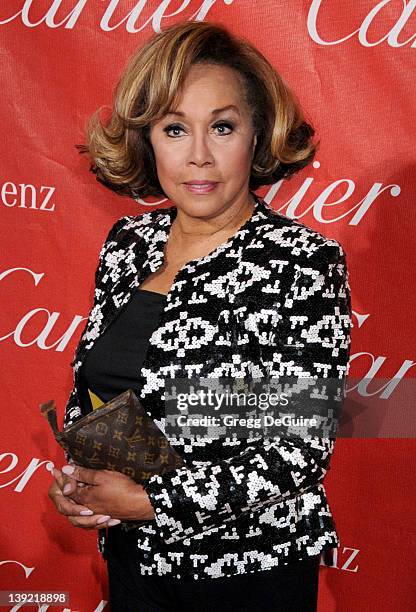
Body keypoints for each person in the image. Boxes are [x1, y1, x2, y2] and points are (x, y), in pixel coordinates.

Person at [47, 20, 352, 611]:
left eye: (222, 126)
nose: (199, 156)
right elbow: (111, 395)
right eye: (175, 128)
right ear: (148, 139)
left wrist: (152, 501)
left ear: (257, 135)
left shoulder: (301, 262)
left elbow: (300, 451)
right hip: (136, 564)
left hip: (247, 575)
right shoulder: (127, 243)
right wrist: (86, 485)